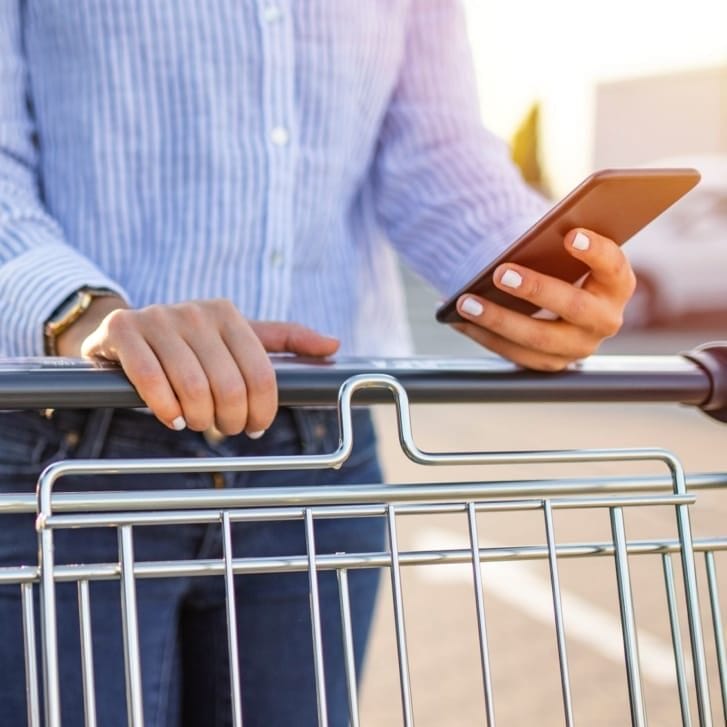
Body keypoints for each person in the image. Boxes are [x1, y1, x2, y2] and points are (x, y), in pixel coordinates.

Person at [0, 2, 635, 725]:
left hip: (318, 448)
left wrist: (533, 274)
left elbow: (431, 147)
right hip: (74, 445)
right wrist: (81, 308)